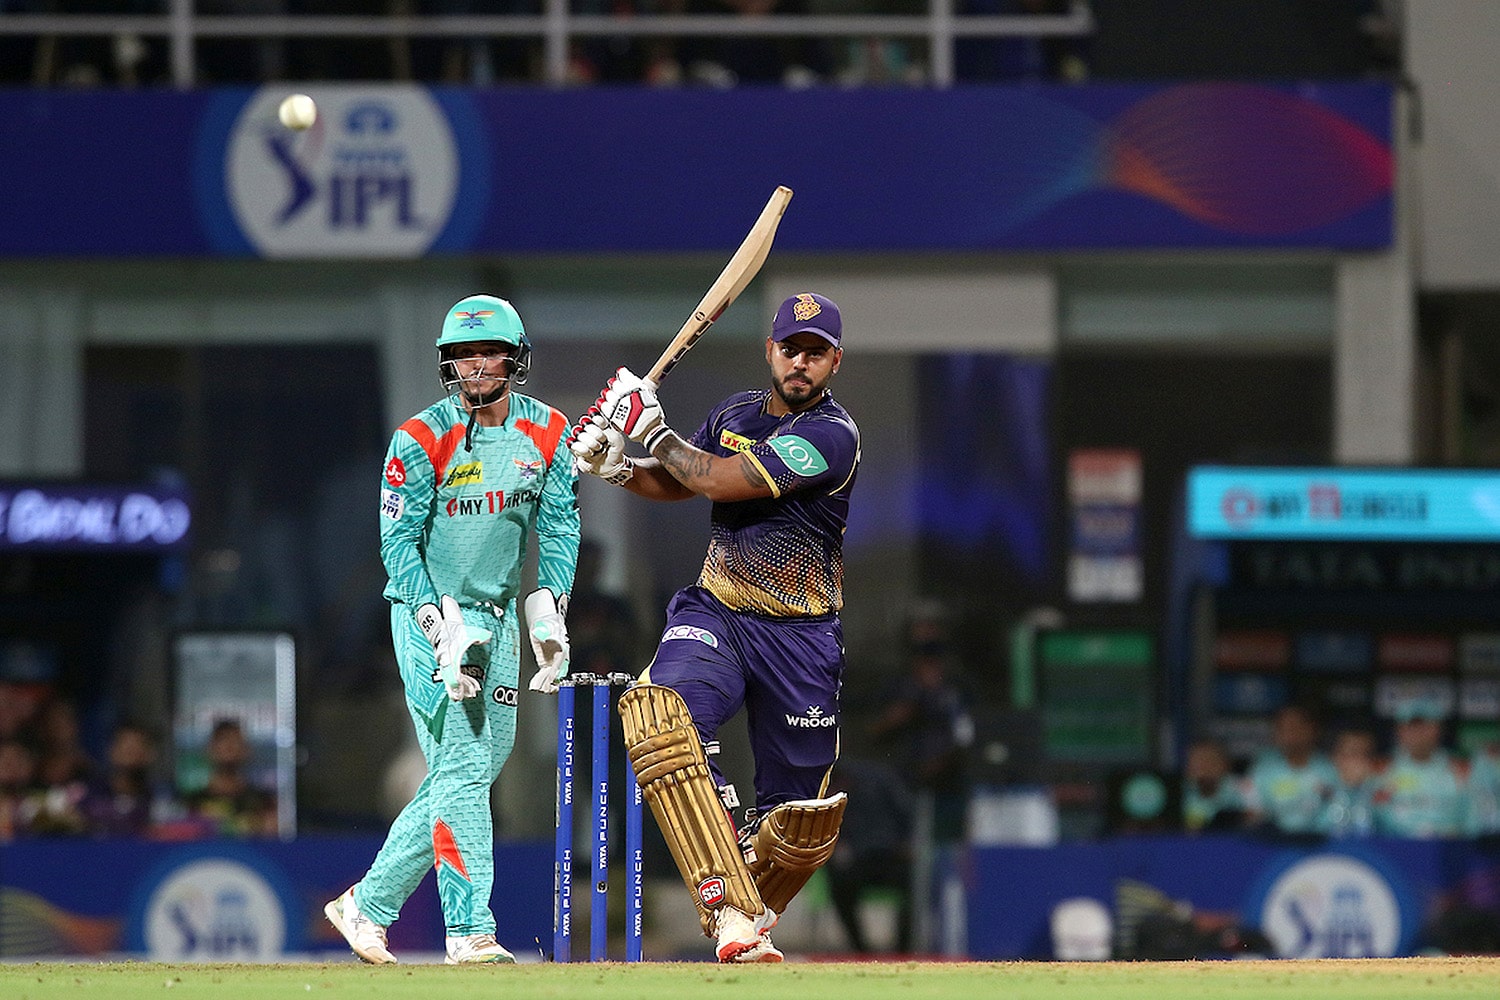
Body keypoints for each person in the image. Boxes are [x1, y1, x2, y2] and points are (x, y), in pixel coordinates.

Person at [568, 291, 859, 963]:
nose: (801, 363)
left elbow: (726, 482)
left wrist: (651, 430)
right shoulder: (734, 413)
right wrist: (619, 467)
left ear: (835, 362)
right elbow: (682, 482)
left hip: (801, 639)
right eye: (791, 349)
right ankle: (725, 906)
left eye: (816, 353)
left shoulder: (832, 436)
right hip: (718, 612)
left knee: (799, 829)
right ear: (771, 351)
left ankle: (749, 904)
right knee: (661, 714)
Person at [324, 294, 580, 966]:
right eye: (463, 355)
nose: (475, 366)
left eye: (488, 352)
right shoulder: (417, 438)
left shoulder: (549, 432)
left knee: (472, 771)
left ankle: (366, 904)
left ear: (515, 358)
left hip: (498, 620)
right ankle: (469, 931)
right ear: (448, 363)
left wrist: (550, 609)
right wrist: (437, 625)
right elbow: (398, 544)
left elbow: (558, 529)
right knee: (464, 766)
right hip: (428, 619)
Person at [1373, 698, 1467, 839]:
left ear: (1438, 729)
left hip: (1448, 848)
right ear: (1400, 730)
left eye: (1425, 726)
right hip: (1394, 848)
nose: (1418, 733)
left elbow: (1471, 822)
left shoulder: (1460, 769)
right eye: (1411, 726)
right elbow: (1373, 819)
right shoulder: (1381, 769)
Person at [1243, 704, 1338, 837]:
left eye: (1297, 726)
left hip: (1322, 842)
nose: (1291, 733)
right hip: (1275, 842)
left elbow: (1339, 813)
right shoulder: (1262, 770)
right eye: (1283, 728)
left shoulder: (1330, 768)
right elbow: (1252, 816)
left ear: (1312, 730)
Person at [181, 717, 277, 838]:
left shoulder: (263, 802)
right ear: (209, 749)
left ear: (246, 750)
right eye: (223, 740)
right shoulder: (191, 803)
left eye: (235, 741)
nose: (229, 746)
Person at [1316, 727, 1379, 839]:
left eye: (1364, 755)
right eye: (1352, 753)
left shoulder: (1381, 790)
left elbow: (1394, 830)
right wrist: (1346, 788)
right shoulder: (1322, 791)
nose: (1358, 761)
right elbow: (1312, 828)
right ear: (1336, 758)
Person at [1181, 737, 1246, 833]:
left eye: (1210, 761)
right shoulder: (1179, 793)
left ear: (1225, 765)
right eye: (1197, 763)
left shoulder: (1243, 790)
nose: (1204, 769)